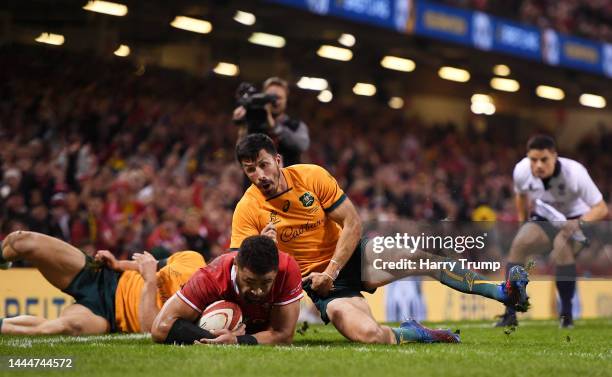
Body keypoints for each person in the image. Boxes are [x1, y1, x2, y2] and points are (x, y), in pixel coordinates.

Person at [229, 134, 530, 345]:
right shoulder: (248, 208)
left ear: (278, 160)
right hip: (319, 286)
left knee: (419, 257)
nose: (259, 175)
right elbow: (238, 265)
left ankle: (503, 292)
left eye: (263, 164)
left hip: (351, 258)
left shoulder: (310, 177)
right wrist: (266, 250)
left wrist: (332, 271)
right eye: (250, 169)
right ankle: (417, 333)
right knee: (370, 335)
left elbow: (353, 222)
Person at [496, 135, 608, 328]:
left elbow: (601, 209)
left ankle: (566, 315)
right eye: (533, 160)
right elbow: (521, 196)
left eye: (544, 159)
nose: (538, 165)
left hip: (576, 218)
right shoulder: (522, 170)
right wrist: (523, 223)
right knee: (519, 243)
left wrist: (578, 223)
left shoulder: (575, 173)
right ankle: (510, 313)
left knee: (561, 245)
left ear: (554, 156)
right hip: (545, 218)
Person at [0, 231, 205, 335]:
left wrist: (150, 281)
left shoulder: (203, 311)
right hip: (103, 277)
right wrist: (117, 263)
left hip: (106, 317)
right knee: (21, 241)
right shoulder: (192, 259)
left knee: (59, 327)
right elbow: (150, 264)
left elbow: (149, 329)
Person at [151, 235, 303, 345]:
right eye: (249, 281)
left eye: (266, 282)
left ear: (277, 271)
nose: (258, 291)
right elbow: (160, 328)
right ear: (236, 265)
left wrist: (237, 340)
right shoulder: (210, 278)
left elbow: (283, 335)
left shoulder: (288, 269)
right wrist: (211, 337)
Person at [233, 77, 310, 167]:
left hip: (287, 179)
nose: (275, 101)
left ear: (286, 100)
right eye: (270, 97)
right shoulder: (254, 124)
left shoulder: (295, 125)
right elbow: (240, 161)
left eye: (279, 98)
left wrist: (275, 127)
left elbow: (302, 145)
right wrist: (242, 127)